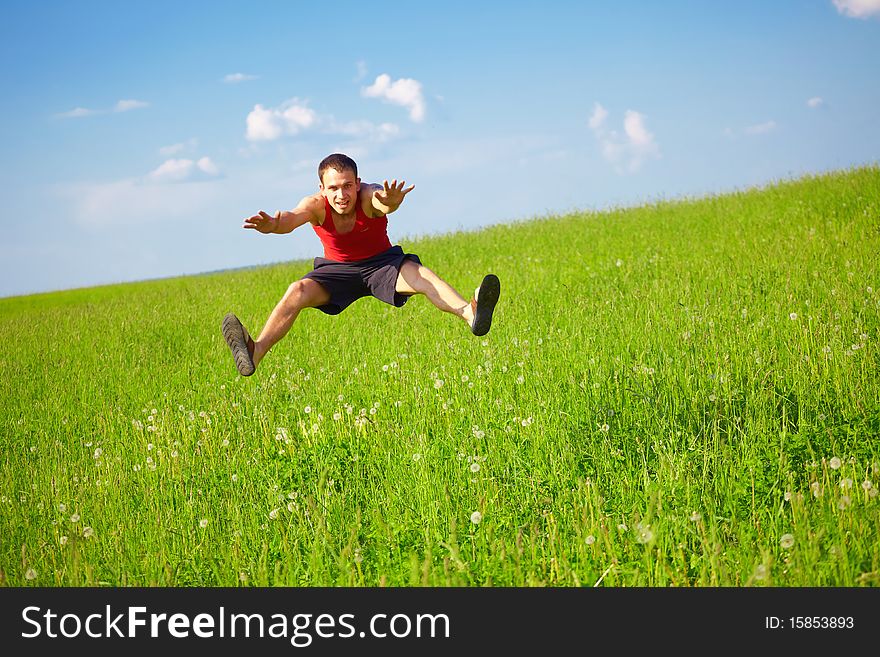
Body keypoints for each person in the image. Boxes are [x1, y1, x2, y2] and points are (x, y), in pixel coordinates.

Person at [222, 153, 501, 376]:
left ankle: (470, 312)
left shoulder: (369, 195)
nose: (341, 195)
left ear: (357, 183)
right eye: (333, 188)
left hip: (382, 263)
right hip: (337, 272)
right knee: (297, 291)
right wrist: (272, 225)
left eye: (347, 186)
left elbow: (381, 203)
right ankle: (255, 351)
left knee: (422, 276)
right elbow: (290, 218)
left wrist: (391, 203)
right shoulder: (316, 205)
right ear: (322, 189)